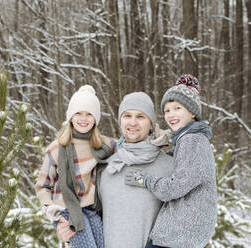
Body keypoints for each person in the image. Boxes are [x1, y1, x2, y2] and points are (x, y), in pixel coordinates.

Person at [125, 74, 217, 248]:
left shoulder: (192, 140)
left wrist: (144, 180)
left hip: (181, 231)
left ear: (192, 112)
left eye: (177, 108)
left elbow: (175, 187)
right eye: (167, 110)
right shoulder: (188, 139)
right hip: (183, 230)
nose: (171, 115)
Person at [35, 85, 116, 248]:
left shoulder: (106, 145)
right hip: (66, 209)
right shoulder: (57, 148)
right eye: (78, 113)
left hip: (92, 211)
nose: (83, 119)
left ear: (96, 118)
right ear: (71, 116)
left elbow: (130, 152)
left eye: (89, 114)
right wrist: (51, 211)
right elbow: (43, 185)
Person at [97, 92, 175, 248]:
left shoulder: (170, 167)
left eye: (140, 117)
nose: (133, 122)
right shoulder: (106, 167)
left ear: (151, 124)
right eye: (127, 116)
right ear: (120, 121)